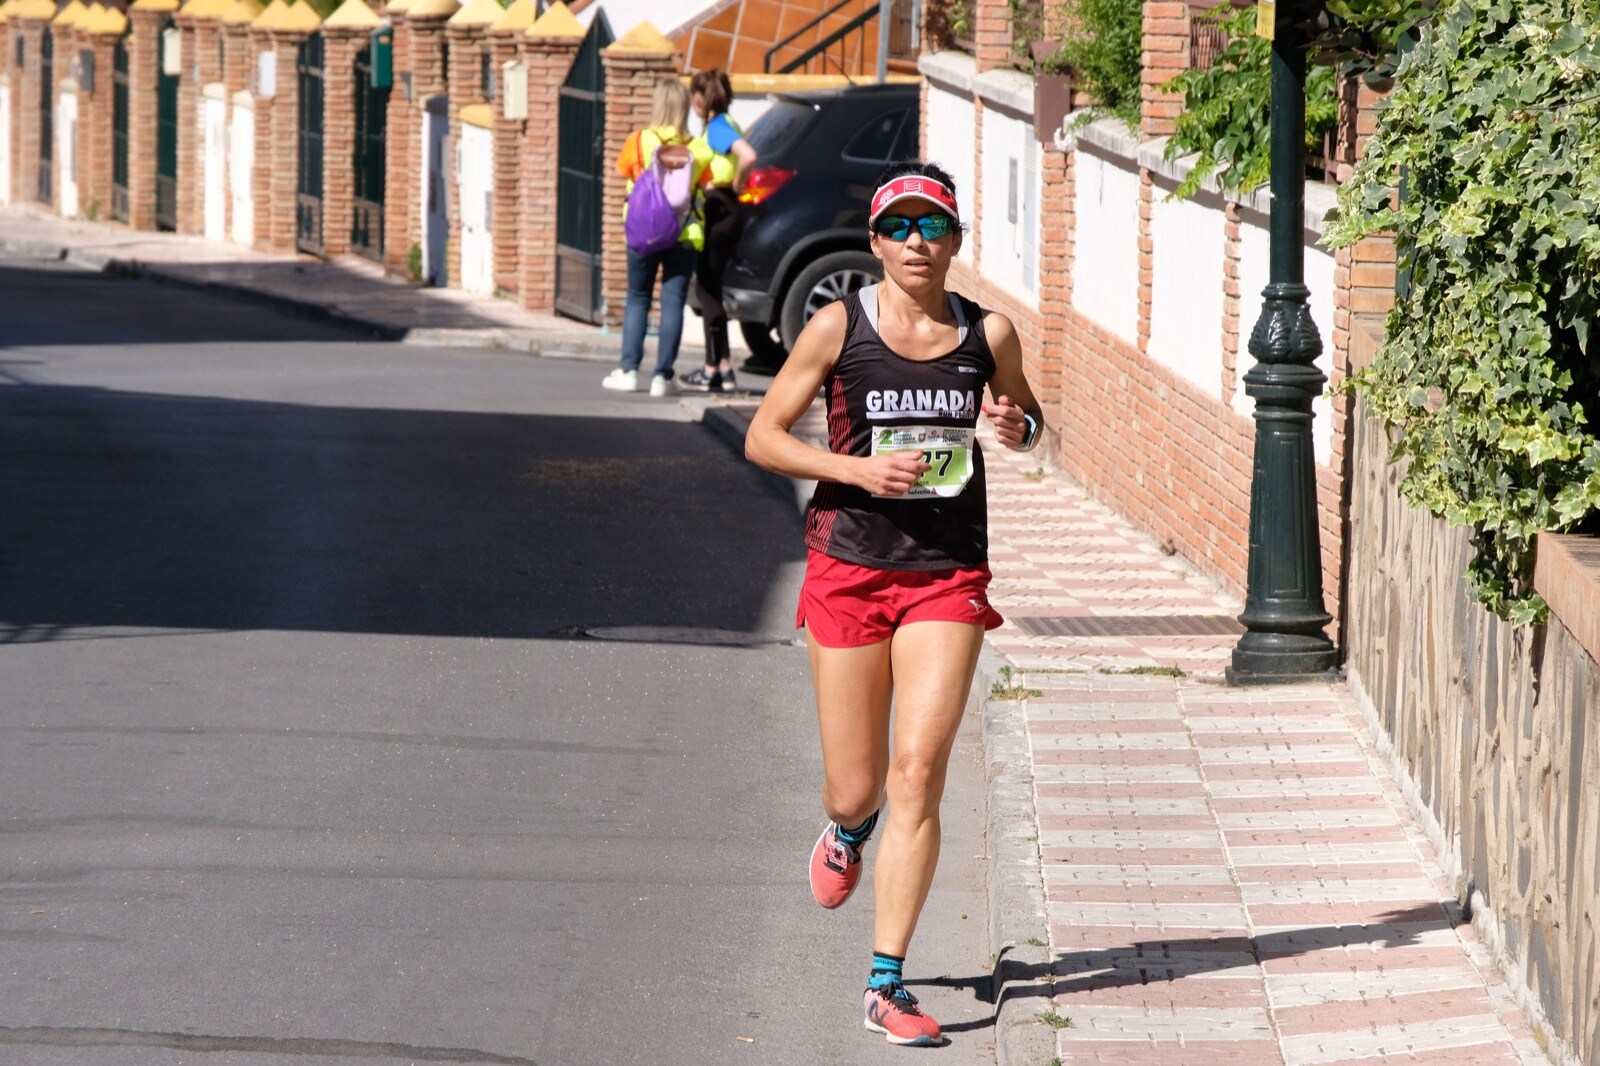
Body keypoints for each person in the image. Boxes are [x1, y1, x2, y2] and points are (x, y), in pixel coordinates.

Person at [744, 161, 1044, 1047]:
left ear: (955, 240)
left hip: (948, 572)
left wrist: (1015, 426)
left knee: (920, 769)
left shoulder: (988, 333)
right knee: (859, 782)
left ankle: (886, 982)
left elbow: (1028, 419)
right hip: (849, 568)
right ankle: (846, 829)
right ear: (876, 241)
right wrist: (855, 470)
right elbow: (764, 436)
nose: (917, 242)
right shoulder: (838, 326)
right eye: (899, 227)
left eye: (933, 226)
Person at [603, 77, 704, 398]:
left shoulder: (639, 140)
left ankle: (629, 370)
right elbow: (706, 181)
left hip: (644, 232)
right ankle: (663, 377)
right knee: (672, 301)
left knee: (638, 297)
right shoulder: (696, 147)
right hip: (685, 232)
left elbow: (624, 171)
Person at [679, 69, 757, 395]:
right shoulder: (727, 123)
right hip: (727, 210)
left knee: (706, 289)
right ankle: (724, 368)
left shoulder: (718, 127)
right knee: (710, 288)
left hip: (719, 209)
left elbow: (748, 156)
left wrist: (733, 185)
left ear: (701, 97)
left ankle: (712, 369)